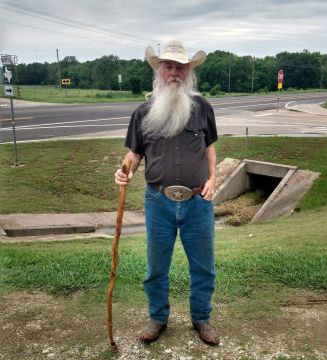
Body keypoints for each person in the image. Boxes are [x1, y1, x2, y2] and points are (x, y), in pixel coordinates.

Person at [115, 40, 219, 346]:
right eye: (169, 67)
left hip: (198, 200)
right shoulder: (143, 112)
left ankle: (202, 318)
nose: (174, 73)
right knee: (156, 266)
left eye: (180, 68)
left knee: (203, 266)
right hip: (158, 201)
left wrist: (213, 178)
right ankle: (158, 318)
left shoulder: (203, 108)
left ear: (189, 73)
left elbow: (210, 148)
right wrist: (125, 172)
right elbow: (134, 155)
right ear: (159, 71)